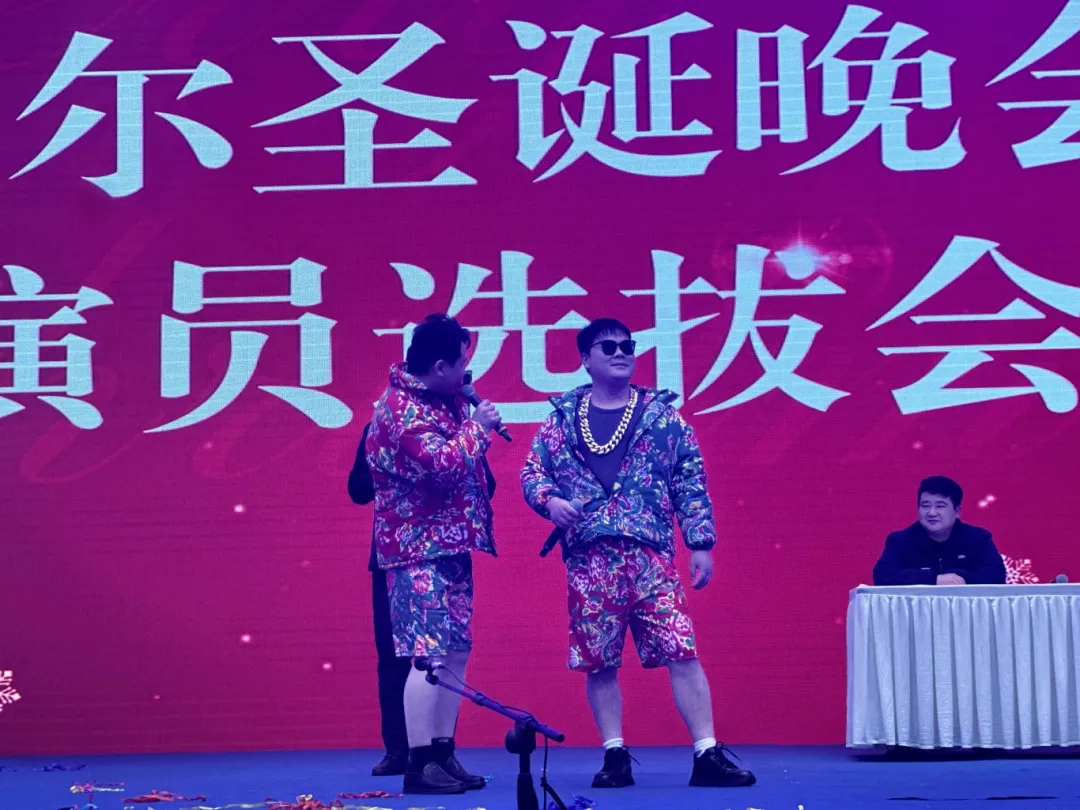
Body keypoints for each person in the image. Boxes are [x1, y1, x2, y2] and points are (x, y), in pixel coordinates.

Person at [520, 317, 756, 790]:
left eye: (627, 346)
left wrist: (700, 542)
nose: (621, 353)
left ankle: (707, 752)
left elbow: (689, 478)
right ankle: (614, 754)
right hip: (590, 557)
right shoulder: (562, 419)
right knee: (599, 660)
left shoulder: (662, 416)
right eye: (608, 347)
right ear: (585, 359)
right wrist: (551, 501)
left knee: (681, 648)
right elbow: (532, 473)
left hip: (650, 556)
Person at [366, 313, 502, 795]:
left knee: (456, 652)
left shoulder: (446, 401)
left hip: (452, 545)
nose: (467, 371)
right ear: (440, 366)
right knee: (427, 655)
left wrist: (471, 419)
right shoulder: (399, 410)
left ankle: (443, 751)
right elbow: (440, 466)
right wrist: (478, 429)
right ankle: (418, 761)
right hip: (415, 551)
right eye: (462, 362)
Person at [873, 476, 1007, 586]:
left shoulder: (978, 539)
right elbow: (882, 576)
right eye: (925, 506)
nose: (932, 513)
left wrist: (955, 577)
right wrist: (933, 579)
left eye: (940, 506)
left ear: (957, 511)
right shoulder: (900, 541)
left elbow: (996, 575)